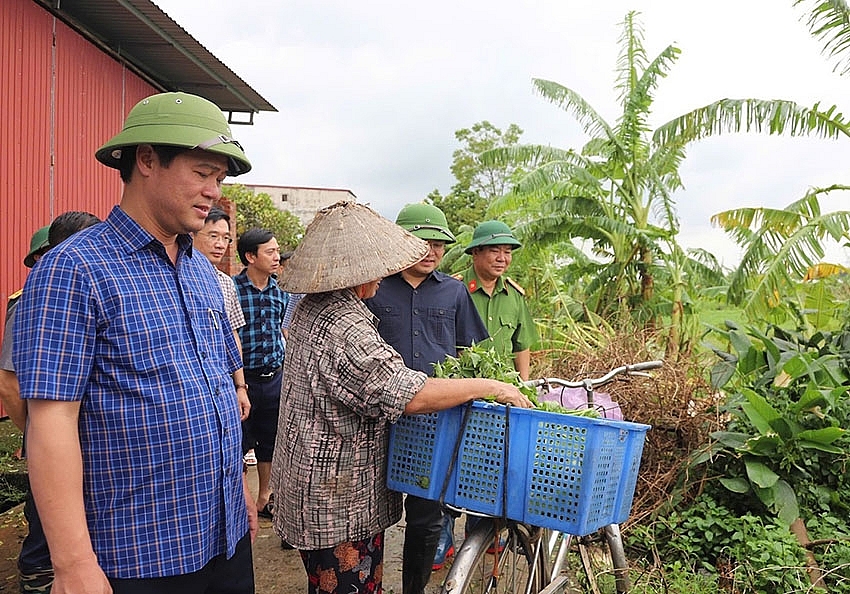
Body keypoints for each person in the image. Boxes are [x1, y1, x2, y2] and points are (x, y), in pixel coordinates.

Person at [12, 91, 257, 593]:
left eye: (219, 178)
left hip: (224, 539)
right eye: (202, 172)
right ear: (146, 159)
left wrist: (241, 496)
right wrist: (72, 563)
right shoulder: (75, 269)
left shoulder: (202, 272)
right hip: (135, 556)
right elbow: (51, 420)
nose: (214, 192)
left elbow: (221, 394)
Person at [268, 201, 533, 594]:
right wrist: (491, 386)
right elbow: (408, 392)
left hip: (319, 485)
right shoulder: (344, 326)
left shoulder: (315, 306)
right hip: (336, 498)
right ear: (357, 271)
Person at [364, 203, 488, 591]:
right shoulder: (374, 287)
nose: (432, 251)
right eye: (423, 242)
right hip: (378, 418)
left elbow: (473, 354)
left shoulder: (453, 291)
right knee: (371, 513)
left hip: (434, 421)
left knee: (426, 518)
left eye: (439, 245)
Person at [0, 213, 101, 594]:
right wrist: (38, 433)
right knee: (48, 519)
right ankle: (38, 579)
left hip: (82, 435)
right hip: (54, 431)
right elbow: (9, 384)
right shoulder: (29, 302)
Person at [234, 228, 288, 519]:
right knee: (239, 441)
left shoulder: (281, 292)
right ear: (250, 256)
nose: (277, 256)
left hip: (273, 376)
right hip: (242, 379)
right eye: (270, 251)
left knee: (270, 439)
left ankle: (264, 495)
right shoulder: (232, 289)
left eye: (277, 250)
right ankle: (239, 499)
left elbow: (282, 330)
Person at [457, 220, 539, 381]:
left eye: (507, 252)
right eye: (494, 251)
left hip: (506, 388)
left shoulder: (514, 295)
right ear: (475, 253)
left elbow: (521, 345)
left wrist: (524, 387)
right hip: (464, 389)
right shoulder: (454, 289)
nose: (502, 258)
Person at [193, 206, 250, 421]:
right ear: (193, 234)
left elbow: (233, 335)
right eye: (213, 236)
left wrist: (240, 386)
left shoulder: (226, 283)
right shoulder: (173, 277)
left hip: (222, 382)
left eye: (225, 238)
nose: (220, 244)